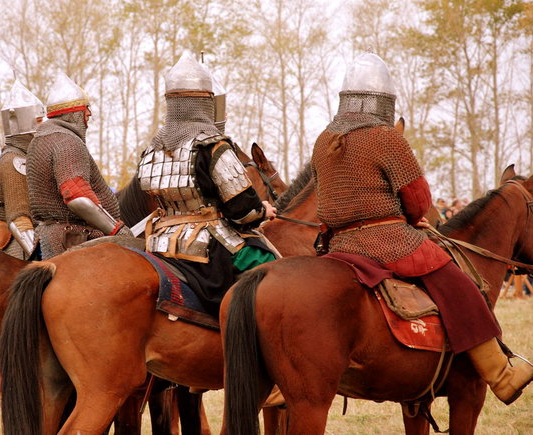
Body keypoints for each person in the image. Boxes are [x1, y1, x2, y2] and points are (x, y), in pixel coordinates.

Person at [310, 52, 532, 405]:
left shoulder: (324, 139)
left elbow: (323, 198)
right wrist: (415, 221)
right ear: (385, 101)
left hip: (338, 245)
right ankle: (500, 374)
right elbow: (417, 197)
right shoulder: (385, 137)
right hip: (387, 239)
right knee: (458, 283)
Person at [137, 51, 277, 316]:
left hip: (158, 243)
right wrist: (263, 211)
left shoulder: (153, 149)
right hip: (207, 245)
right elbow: (243, 210)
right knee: (268, 264)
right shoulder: (213, 145)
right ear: (206, 104)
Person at [26, 72, 130, 260]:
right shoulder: (67, 142)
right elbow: (77, 198)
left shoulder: (40, 140)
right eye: (86, 108)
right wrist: (116, 229)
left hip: (51, 235)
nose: (89, 114)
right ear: (74, 113)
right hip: (75, 238)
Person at [0, 80, 44, 260]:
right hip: (20, 249)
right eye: (38, 121)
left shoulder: (25, 157)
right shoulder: (14, 162)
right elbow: (19, 220)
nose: (42, 127)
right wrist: (38, 257)